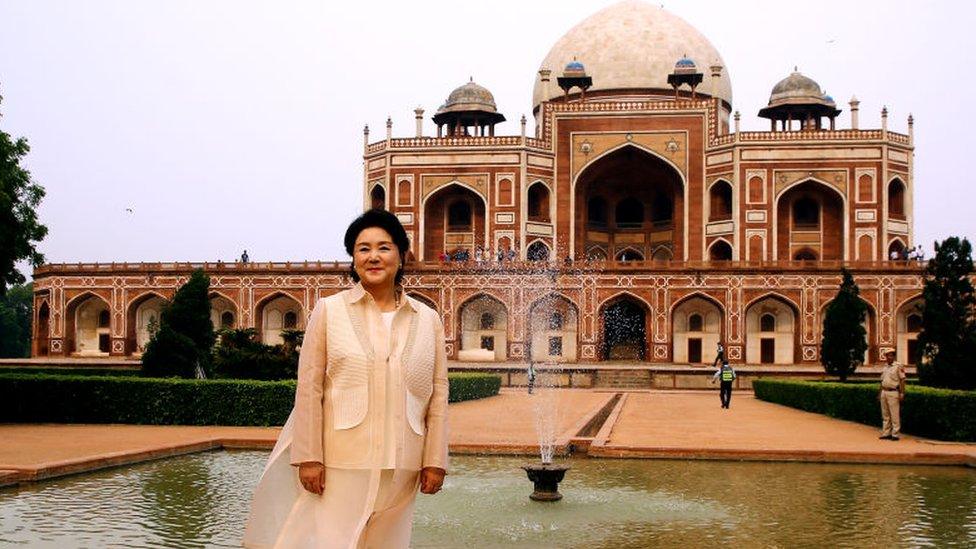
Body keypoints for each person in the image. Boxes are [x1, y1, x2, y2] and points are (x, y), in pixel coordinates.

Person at [243, 208, 449, 549]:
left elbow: (438, 395)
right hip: (342, 461)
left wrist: (435, 460)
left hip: (403, 463)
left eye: (384, 247)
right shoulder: (329, 310)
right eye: (362, 248)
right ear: (353, 259)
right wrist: (309, 457)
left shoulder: (427, 319)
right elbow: (309, 388)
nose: (373, 256)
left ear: (401, 254)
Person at [879, 349, 906, 440]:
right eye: (887, 355)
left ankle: (895, 434)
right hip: (884, 391)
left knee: (894, 414)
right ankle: (886, 432)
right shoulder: (885, 367)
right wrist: (879, 393)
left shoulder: (898, 366)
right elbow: (882, 381)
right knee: (885, 414)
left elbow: (902, 380)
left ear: (894, 356)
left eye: (890, 355)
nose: (888, 357)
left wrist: (902, 392)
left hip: (893, 391)